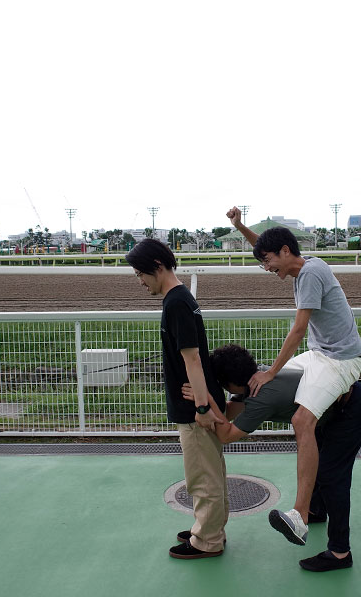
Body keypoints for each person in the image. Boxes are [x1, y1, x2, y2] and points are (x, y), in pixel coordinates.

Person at [226, 206, 361, 547]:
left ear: (286, 253)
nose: (267, 267)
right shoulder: (300, 263)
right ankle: (224, 420)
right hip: (320, 354)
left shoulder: (311, 274)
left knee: (302, 420)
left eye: (269, 261)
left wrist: (272, 368)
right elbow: (266, 244)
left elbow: (299, 329)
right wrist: (241, 226)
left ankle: (299, 517)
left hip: (339, 360)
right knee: (267, 385)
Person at [185, 343, 361, 572]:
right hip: (332, 412)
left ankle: (340, 552)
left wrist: (204, 398)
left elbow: (225, 434)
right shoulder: (259, 378)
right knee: (320, 464)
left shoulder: (262, 398)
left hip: (351, 411)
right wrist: (205, 401)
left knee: (332, 477)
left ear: (230, 383)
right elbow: (231, 411)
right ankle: (316, 510)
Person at [125, 238, 228, 560]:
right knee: (210, 471)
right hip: (198, 402)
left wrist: (201, 407)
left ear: (157, 267)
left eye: (141, 274)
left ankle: (207, 540)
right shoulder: (182, 298)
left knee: (202, 476)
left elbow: (192, 358)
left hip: (195, 409)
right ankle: (210, 528)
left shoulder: (176, 303)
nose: (139, 281)